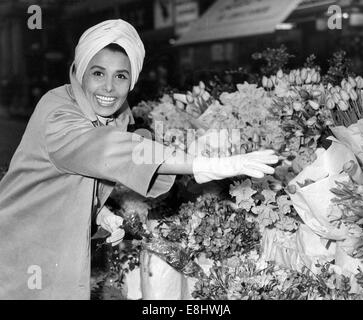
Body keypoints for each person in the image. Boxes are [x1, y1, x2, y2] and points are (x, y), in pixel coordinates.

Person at [0, 19, 278, 300]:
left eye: (121, 76)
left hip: (54, 251)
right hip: (21, 254)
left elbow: (73, 173)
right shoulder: (60, 113)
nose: (109, 87)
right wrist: (203, 165)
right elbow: (111, 150)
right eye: (98, 73)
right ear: (81, 70)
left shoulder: (106, 114)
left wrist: (99, 214)